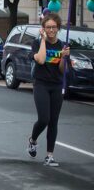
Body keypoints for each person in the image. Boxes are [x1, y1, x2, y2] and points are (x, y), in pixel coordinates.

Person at [27, 13, 70, 167]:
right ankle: (32, 140)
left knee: (53, 121)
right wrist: (43, 40)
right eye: (48, 27)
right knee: (44, 119)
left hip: (56, 85)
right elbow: (41, 59)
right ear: (43, 29)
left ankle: (49, 156)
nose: (51, 30)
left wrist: (64, 57)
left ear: (58, 28)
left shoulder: (63, 46)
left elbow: (62, 70)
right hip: (41, 84)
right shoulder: (36, 43)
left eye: (54, 27)